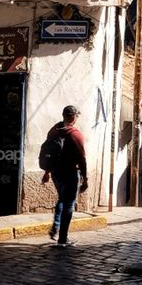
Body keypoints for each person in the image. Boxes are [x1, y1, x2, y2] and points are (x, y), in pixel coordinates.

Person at [40, 105, 88, 247]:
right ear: (73, 117)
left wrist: (47, 172)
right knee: (69, 204)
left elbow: (50, 153)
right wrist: (85, 178)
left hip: (56, 173)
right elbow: (82, 158)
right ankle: (63, 238)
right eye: (77, 116)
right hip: (70, 173)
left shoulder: (54, 130)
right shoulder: (75, 134)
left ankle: (56, 226)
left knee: (62, 198)